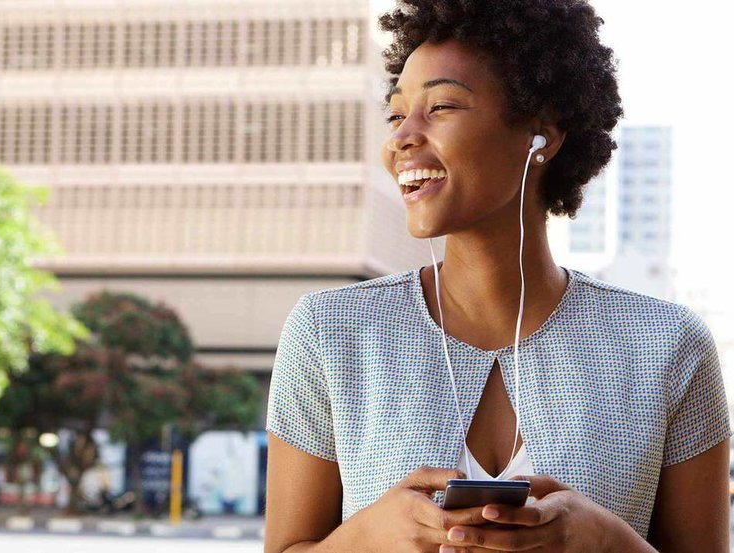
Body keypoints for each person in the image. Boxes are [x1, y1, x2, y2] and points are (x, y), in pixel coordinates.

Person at [263, 1, 731, 552]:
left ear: (543, 136)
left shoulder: (668, 346)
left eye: (439, 107)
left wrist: (607, 541)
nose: (402, 138)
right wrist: (367, 537)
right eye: (396, 114)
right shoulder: (328, 333)